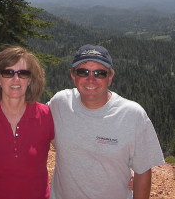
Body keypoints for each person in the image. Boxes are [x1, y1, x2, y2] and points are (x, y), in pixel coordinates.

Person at [48, 44, 164, 199]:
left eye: (100, 73)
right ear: (73, 76)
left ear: (110, 78)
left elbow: (143, 170)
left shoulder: (132, 114)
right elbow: (33, 123)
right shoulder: (60, 103)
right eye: (83, 72)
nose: (91, 79)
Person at [0, 46, 54, 199]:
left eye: (23, 73)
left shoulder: (46, 115)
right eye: (8, 73)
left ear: (30, 79)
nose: (16, 79)